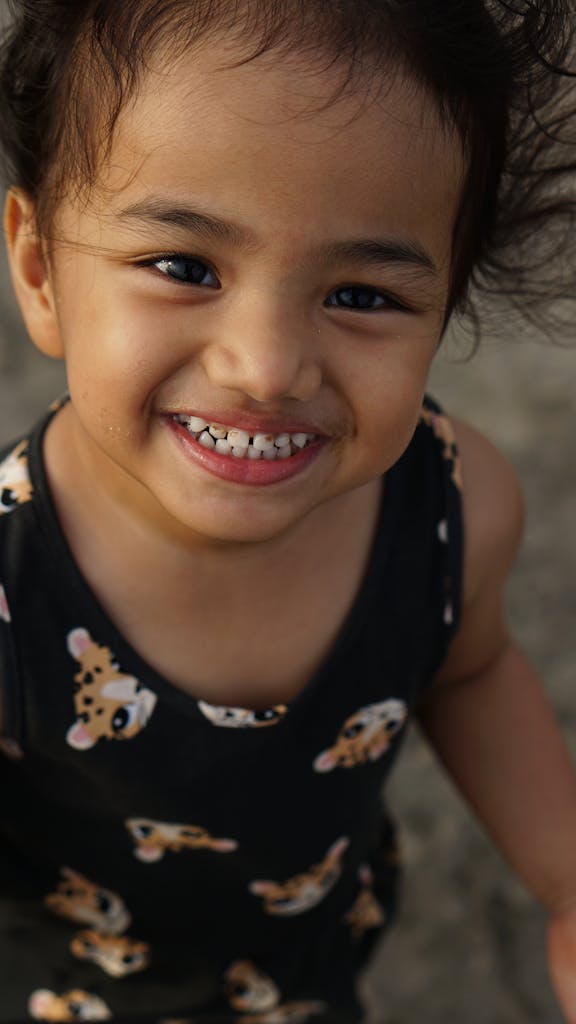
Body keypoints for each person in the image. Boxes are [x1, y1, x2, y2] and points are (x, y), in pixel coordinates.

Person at [0, 1, 575, 1021]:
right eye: (184, 268)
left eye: (362, 294)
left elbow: (472, 668)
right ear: (41, 271)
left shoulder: (451, 510)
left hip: (311, 972)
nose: (265, 368)